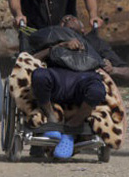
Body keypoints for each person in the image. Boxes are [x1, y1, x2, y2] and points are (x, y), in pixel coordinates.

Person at [29, 25, 107, 159]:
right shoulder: (52, 39)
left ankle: (71, 128)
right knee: (39, 76)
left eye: (72, 18)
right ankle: (52, 118)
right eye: (65, 19)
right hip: (57, 76)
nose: (68, 19)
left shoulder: (93, 41)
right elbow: (31, 58)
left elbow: (117, 65)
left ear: (83, 29)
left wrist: (110, 65)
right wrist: (60, 45)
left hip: (84, 79)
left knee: (97, 90)